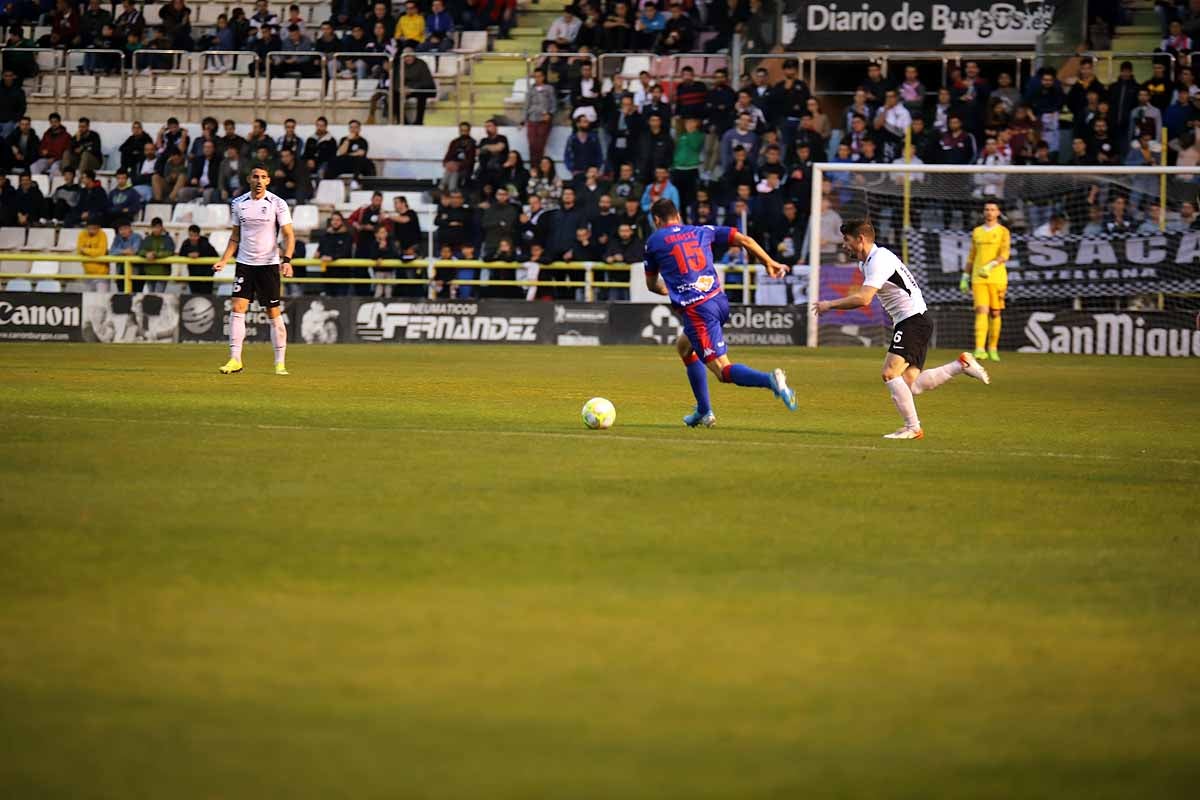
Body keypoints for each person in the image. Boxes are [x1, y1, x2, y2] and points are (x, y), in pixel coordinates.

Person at [814, 218, 991, 440]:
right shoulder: (867, 262)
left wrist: (829, 304)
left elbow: (864, 298)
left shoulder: (879, 260)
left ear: (860, 239)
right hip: (916, 320)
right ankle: (960, 365)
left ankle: (913, 428)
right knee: (909, 385)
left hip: (913, 320)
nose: (844, 245)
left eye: (846, 240)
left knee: (889, 374)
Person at [641, 198, 796, 427]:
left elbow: (652, 284)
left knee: (723, 371)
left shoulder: (654, 241)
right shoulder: (701, 230)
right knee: (684, 347)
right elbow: (744, 239)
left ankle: (770, 380)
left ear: (656, 220)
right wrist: (769, 262)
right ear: (679, 216)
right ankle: (704, 411)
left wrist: (667, 288)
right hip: (719, 302)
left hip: (698, 310)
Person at [212, 166, 296, 375]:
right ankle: (235, 359)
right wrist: (224, 260)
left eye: (263, 177)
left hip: (268, 265)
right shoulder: (238, 204)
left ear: (268, 181)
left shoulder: (277, 203)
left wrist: (287, 260)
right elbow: (235, 237)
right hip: (245, 264)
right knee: (238, 308)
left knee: (273, 313)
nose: (259, 180)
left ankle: (279, 362)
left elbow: (288, 235)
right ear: (249, 179)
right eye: (256, 177)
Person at [959, 200, 1010, 362]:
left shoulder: (1003, 232)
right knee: (981, 310)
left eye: (993, 209)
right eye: (987, 209)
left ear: (998, 213)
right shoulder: (977, 232)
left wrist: (990, 266)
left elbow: (1005, 254)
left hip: (997, 278)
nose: (989, 212)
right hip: (978, 278)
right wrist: (965, 276)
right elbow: (972, 256)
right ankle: (979, 348)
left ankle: (993, 348)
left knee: (995, 312)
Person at [180, 223, 218, 294]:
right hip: (193, 276)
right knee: (195, 297)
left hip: (206, 277)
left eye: (195, 236)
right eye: (191, 235)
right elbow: (181, 254)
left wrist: (200, 254)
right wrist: (188, 255)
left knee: (206, 298)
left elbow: (215, 256)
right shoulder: (186, 243)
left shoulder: (205, 243)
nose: (193, 238)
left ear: (199, 235)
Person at [76, 221, 109, 292]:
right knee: (88, 300)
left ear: (98, 228)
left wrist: (85, 251)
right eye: (89, 228)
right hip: (87, 273)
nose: (92, 231)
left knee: (102, 299)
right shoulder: (82, 234)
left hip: (101, 274)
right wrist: (93, 252)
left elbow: (101, 252)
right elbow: (79, 250)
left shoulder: (102, 234)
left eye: (94, 228)